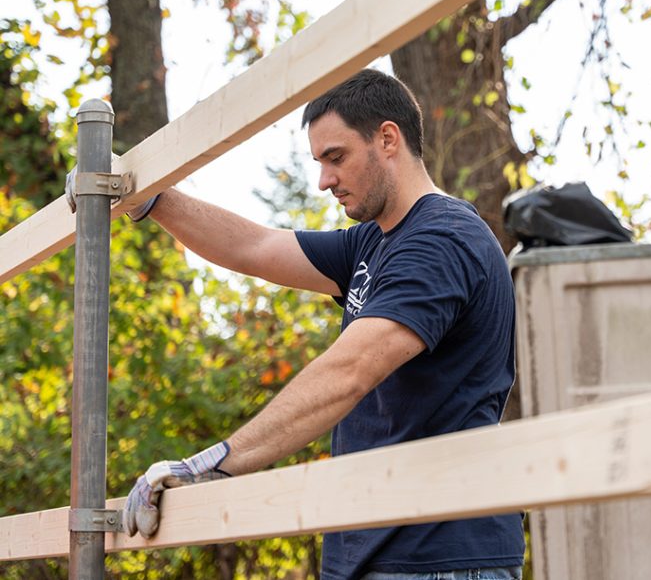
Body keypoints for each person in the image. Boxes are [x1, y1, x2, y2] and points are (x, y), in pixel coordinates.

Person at [110, 69, 525, 580]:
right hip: (373, 543)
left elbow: (348, 372)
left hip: (436, 554)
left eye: (336, 157)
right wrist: (148, 199)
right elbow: (254, 247)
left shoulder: (441, 241)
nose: (324, 180)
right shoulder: (374, 241)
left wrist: (215, 463)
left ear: (388, 139)